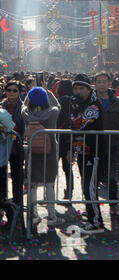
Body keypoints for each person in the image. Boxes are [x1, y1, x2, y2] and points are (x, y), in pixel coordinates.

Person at [22, 87, 65, 227]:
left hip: (32, 152)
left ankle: (34, 215)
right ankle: (52, 216)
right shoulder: (52, 113)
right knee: (50, 184)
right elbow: (58, 105)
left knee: (32, 184)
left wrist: (30, 95)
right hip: (50, 151)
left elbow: (23, 104)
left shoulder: (26, 114)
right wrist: (48, 92)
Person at [69, 74, 105, 234]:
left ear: (89, 89)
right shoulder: (76, 104)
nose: (78, 91)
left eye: (81, 88)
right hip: (81, 151)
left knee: (90, 188)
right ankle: (91, 216)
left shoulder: (94, 105)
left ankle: (96, 222)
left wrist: (72, 118)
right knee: (86, 186)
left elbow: (78, 124)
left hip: (94, 152)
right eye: (75, 88)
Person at [94, 72, 119, 217]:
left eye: (104, 81)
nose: (101, 84)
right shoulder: (90, 100)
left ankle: (114, 205)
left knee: (111, 177)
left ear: (109, 83)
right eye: (98, 81)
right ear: (95, 84)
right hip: (93, 146)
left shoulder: (118, 102)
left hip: (112, 145)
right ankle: (92, 207)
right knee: (93, 178)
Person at [1, 81, 25, 210]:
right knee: (2, 179)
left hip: (17, 147)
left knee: (17, 178)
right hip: (3, 147)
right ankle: (4, 207)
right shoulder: (1, 105)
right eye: (9, 90)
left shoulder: (24, 107)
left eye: (15, 90)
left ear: (20, 92)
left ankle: (18, 207)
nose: (11, 92)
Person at [56, 79, 74, 200]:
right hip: (70, 137)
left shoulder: (59, 101)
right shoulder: (74, 102)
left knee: (52, 165)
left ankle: (50, 191)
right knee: (68, 167)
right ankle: (69, 190)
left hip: (57, 137)